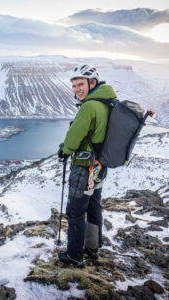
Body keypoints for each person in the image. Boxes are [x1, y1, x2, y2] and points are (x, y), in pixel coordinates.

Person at [57, 64, 117, 267]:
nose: (77, 89)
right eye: (74, 85)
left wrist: (64, 150)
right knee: (93, 206)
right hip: (99, 165)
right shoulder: (107, 102)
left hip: (84, 167)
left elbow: (74, 137)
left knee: (75, 210)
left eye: (80, 84)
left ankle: (74, 255)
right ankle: (92, 248)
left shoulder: (90, 106)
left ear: (93, 83)